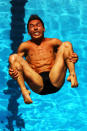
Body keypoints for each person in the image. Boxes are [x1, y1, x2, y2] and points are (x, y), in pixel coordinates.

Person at [9, 15, 78, 104]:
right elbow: (16, 65)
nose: (35, 28)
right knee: (13, 57)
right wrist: (12, 72)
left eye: (38, 25)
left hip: (55, 78)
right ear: (28, 32)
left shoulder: (54, 42)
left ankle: (72, 75)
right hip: (37, 82)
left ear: (44, 29)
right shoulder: (24, 46)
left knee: (67, 44)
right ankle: (24, 91)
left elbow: (68, 53)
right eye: (31, 26)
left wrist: (75, 58)